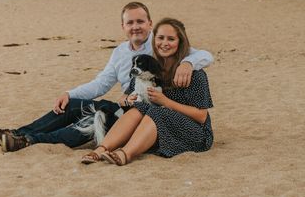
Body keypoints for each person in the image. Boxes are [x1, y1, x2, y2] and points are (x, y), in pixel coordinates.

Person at [0, 2, 213, 152]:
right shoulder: (120, 52)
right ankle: (17, 133)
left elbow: (203, 54)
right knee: (71, 105)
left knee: (92, 120)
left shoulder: (160, 44)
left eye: (140, 21)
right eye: (130, 22)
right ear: (123, 26)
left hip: (144, 112)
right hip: (128, 105)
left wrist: (188, 62)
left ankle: (29, 141)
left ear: (150, 24)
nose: (136, 27)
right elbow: (101, 83)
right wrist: (69, 93)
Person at [80, 17, 213, 166]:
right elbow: (125, 95)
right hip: (158, 128)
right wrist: (127, 100)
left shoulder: (193, 73)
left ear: (180, 42)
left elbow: (201, 117)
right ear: (154, 40)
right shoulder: (149, 67)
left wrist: (165, 102)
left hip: (194, 133)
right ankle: (101, 149)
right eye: (160, 38)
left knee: (157, 111)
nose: (164, 43)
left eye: (171, 39)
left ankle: (125, 153)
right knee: (139, 108)